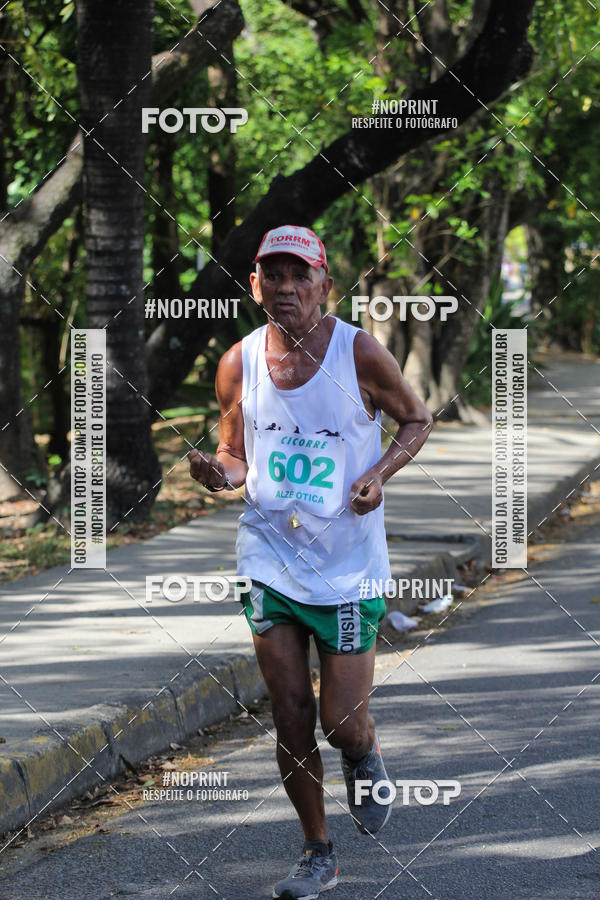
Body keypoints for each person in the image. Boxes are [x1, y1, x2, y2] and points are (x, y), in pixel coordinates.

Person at [189, 225, 433, 899]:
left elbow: (417, 418)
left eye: (301, 275)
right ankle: (316, 851)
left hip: (348, 565)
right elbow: (238, 456)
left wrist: (381, 472)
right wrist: (220, 473)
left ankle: (362, 750)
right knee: (292, 711)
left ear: (325, 283)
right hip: (269, 555)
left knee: (338, 721)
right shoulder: (237, 363)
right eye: (275, 275)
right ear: (255, 283)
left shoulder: (358, 352)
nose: (287, 288)